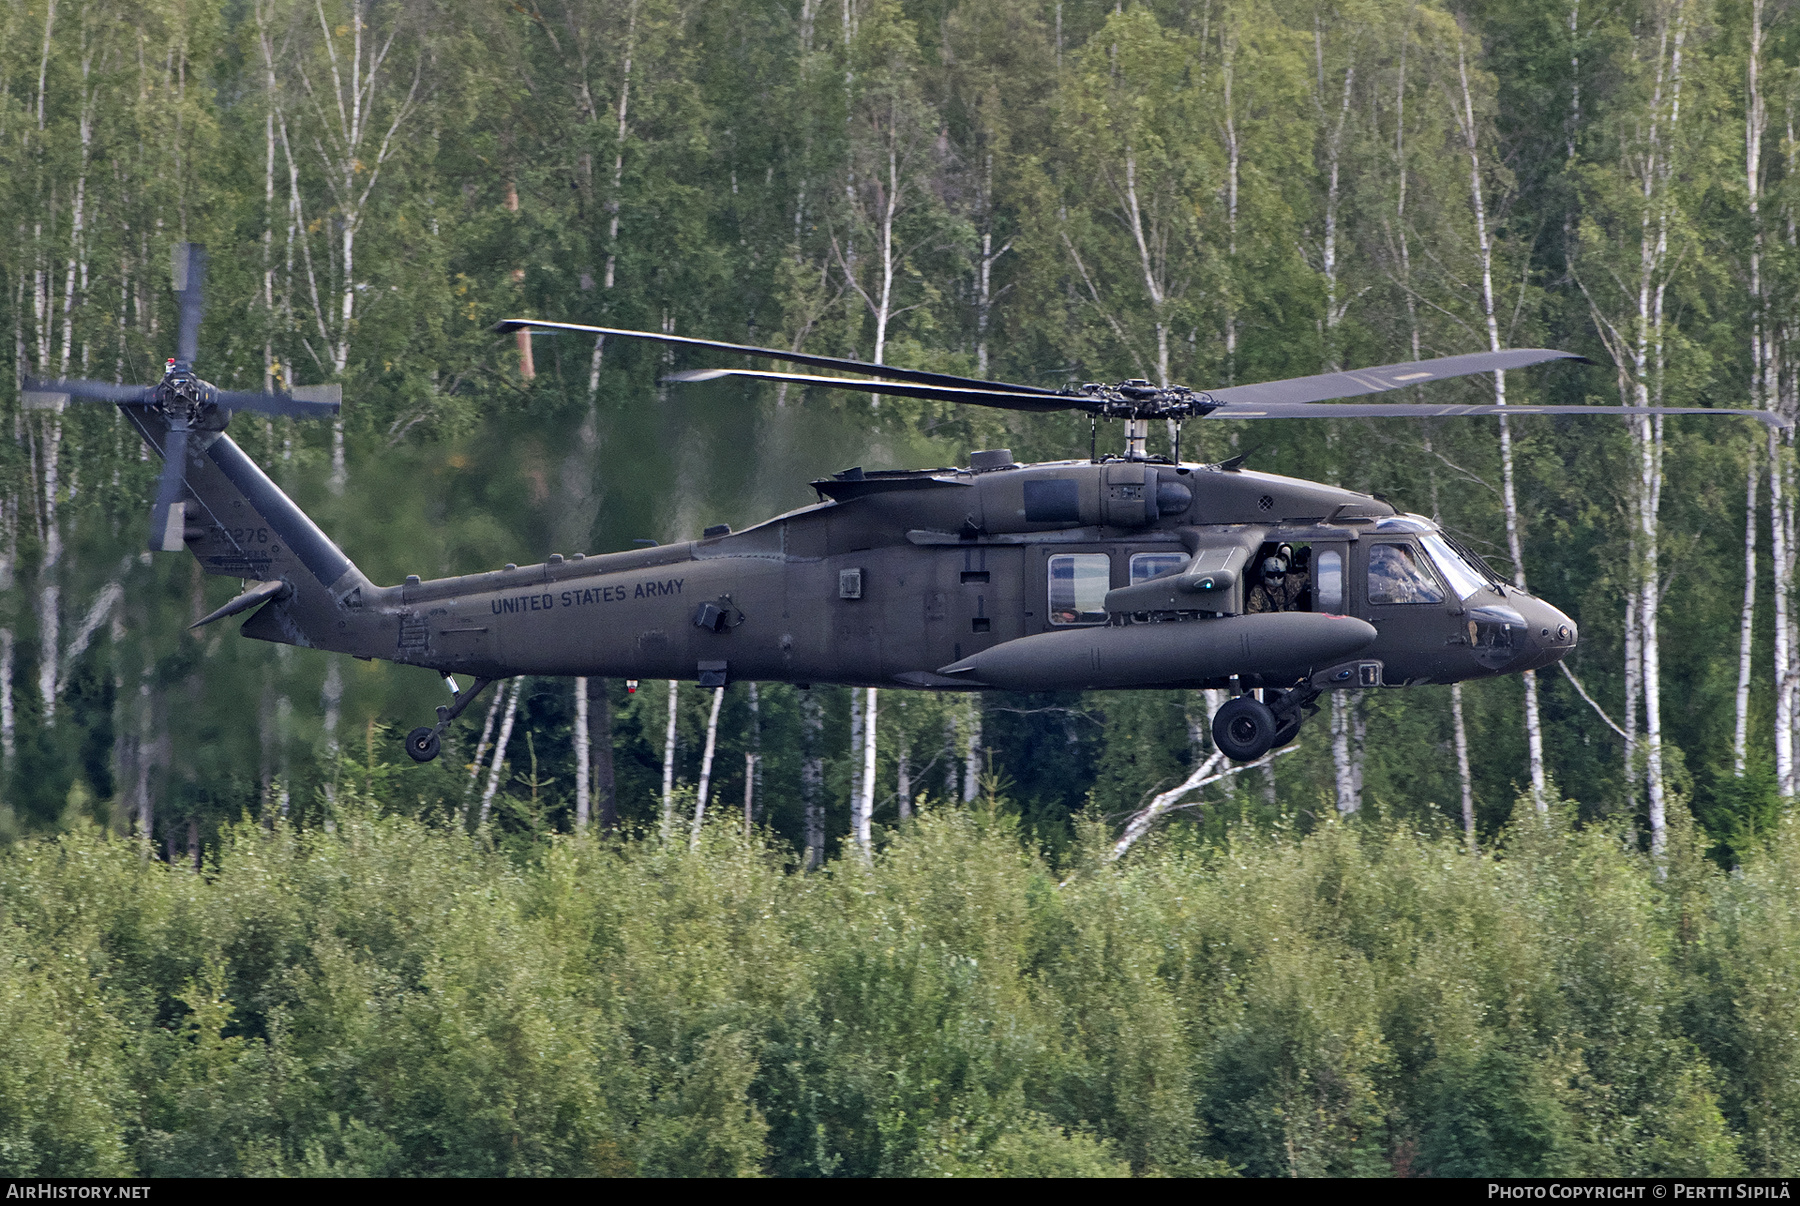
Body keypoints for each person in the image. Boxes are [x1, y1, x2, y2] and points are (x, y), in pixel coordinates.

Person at [1245, 544, 1308, 613]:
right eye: (1271, 574)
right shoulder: (1258, 591)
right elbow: (1252, 612)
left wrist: (1309, 559)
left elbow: (1309, 578)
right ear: (1264, 573)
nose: (1275, 578)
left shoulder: (1290, 582)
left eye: (1279, 575)